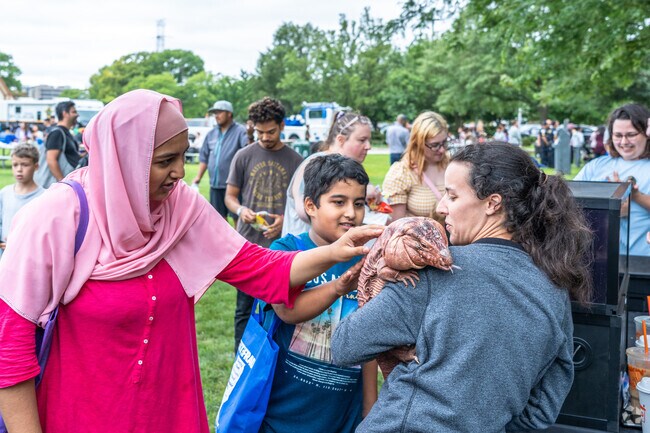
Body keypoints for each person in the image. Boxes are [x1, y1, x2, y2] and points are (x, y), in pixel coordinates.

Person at [0, 89, 383, 433]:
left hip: (168, 411)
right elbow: (10, 345)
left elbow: (261, 269)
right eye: (166, 160)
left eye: (184, 156)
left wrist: (336, 251)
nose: (181, 173)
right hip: (83, 415)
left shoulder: (179, 207)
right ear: (124, 159)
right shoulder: (55, 217)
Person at [332, 141, 593, 432]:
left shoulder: (435, 269)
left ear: (492, 203)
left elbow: (345, 345)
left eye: (452, 196)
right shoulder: (553, 287)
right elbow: (541, 411)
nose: (441, 207)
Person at [260, 154, 377, 432]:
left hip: (342, 411)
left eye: (358, 204)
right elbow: (287, 311)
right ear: (310, 205)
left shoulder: (368, 258)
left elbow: (369, 336)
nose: (351, 212)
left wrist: (370, 403)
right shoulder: (286, 251)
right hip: (284, 409)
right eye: (339, 202)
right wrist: (338, 287)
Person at [225, 96, 304, 351]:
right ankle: (242, 353)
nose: (265, 137)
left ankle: (272, 352)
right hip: (248, 242)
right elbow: (230, 196)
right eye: (259, 131)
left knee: (278, 305)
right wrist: (241, 210)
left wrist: (284, 220)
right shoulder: (243, 155)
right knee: (244, 307)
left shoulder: (295, 160)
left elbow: (302, 204)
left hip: (280, 246)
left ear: (281, 126)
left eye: (270, 131)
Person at [281, 111, 387, 237]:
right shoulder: (315, 164)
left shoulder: (349, 168)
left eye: (369, 140)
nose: (368, 146)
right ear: (341, 140)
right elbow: (304, 211)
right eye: (362, 140)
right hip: (301, 250)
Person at [574, 103, 650, 256]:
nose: (623, 142)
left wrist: (636, 196)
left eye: (631, 135)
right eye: (618, 135)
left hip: (641, 262)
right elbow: (566, 202)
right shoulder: (596, 166)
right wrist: (608, 209)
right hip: (598, 260)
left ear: (646, 134)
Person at [382, 111, 449, 224]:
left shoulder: (453, 165)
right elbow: (398, 226)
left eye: (444, 143)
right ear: (418, 143)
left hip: (455, 240)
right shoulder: (402, 172)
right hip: (417, 240)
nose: (442, 149)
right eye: (435, 145)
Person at [192, 100, 248, 220]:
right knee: (218, 219)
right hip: (215, 185)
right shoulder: (211, 134)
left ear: (229, 114)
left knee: (237, 217)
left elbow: (247, 152)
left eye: (219, 112)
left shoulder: (240, 131)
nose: (216, 116)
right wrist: (198, 177)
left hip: (234, 185)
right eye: (214, 113)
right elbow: (204, 157)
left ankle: (238, 239)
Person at [0, 143, 44, 259]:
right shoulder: (5, 193)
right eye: (15, 165)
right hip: (5, 258)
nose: (19, 169)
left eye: (25, 165)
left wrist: (19, 244)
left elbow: (43, 232)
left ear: (36, 166)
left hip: (29, 259)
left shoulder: (44, 197)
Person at [35, 100, 80, 188]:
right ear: (65, 113)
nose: (77, 115)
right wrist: (63, 184)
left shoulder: (66, 133)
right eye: (74, 112)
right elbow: (51, 159)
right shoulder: (57, 133)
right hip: (57, 186)